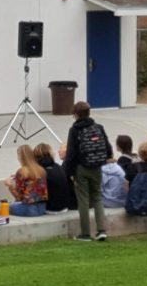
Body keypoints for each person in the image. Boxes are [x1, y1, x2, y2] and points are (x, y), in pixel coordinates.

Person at [63, 101, 113, 242]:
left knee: (83, 199)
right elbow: (108, 149)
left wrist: (69, 172)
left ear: (76, 114)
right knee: (97, 197)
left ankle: (85, 233)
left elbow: (71, 154)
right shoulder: (98, 127)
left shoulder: (74, 130)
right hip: (97, 167)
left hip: (81, 168)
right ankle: (101, 230)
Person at [4, 144, 48, 217]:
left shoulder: (21, 172)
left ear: (20, 157)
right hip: (42, 208)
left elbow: (19, 197)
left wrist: (9, 185)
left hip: (29, 209)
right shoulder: (41, 170)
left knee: (4, 207)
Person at [33, 143, 73, 215]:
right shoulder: (58, 167)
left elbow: (36, 197)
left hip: (51, 208)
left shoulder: (40, 170)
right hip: (64, 207)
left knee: (12, 206)